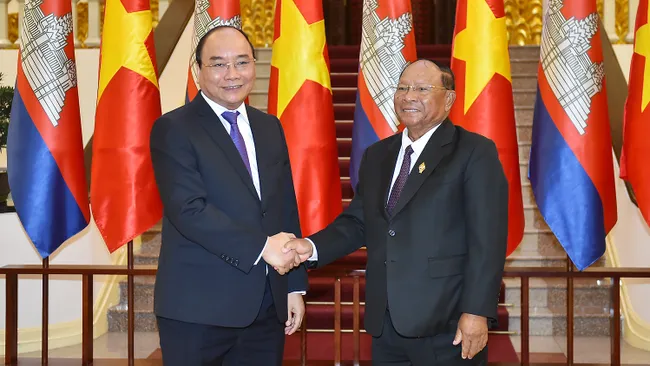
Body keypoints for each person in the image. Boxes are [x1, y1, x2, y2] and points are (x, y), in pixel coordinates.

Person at [284, 60, 508, 365]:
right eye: (402, 88)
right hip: (385, 323)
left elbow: (488, 240)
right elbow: (358, 223)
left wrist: (477, 311)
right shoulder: (377, 155)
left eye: (422, 89)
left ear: (450, 99)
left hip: (446, 323)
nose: (408, 96)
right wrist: (310, 247)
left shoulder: (473, 152)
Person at [149, 25, 306, 366]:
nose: (232, 74)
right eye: (218, 64)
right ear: (198, 70)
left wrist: (294, 285)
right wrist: (264, 248)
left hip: (266, 308)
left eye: (242, 62)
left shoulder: (269, 127)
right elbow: (189, 210)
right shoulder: (174, 129)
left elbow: (283, 208)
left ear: (254, 65)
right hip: (198, 311)